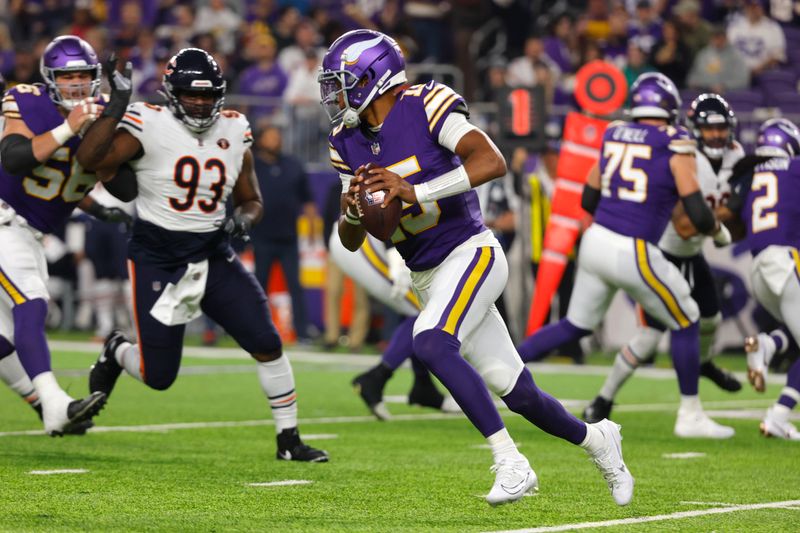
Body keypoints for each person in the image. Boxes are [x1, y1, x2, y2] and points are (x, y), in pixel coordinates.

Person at [319, 29, 633, 506]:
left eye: (341, 82)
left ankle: (511, 461)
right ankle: (597, 440)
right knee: (519, 393)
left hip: (471, 253)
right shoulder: (345, 141)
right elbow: (352, 236)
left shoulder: (426, 103)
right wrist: (353, 213)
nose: (333, 95)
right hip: (426, 274)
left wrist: (415, 191)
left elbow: (492, 160)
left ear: (372, 78)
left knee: (430, 341)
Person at [75, 47, 328, 462]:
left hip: (212, 254)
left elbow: (251, 199)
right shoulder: (146, 120)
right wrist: (117, 103)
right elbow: (89, 160)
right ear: (171, 92)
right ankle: (118, 350)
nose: (200, 102)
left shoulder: (234, 128)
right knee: (159, 377)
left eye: (208, 95)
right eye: (191, 95)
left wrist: (243, 220)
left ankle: (289, 440)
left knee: (267, 341)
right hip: (159, 255)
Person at [517, 73, 735, 439]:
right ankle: (691, 415)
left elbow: (588, 198)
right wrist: (718, 231)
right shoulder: (675, 141)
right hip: (632, 246)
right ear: (669, 107)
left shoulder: (614, 132)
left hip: (596, 239)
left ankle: (500, 368)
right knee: (688, 317)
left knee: (575, 324)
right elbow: (697, 212)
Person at [583, 93, 745, 426]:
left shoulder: (737, 156)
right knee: (649, 337)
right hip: (665, 251)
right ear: (694, 129)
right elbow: (686, 226)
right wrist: (727, 214)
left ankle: (702, 364)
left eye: (720, 128)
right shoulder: (681, 155)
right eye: (708, 128)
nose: (715, 135)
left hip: (694, 253)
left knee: (711, 320)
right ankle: (602, 399)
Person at [0, 36, 134, 435]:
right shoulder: (25, 100)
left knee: (5, 336)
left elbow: (111, 185)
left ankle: (46, 408)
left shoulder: (100, 117)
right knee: (32, 301)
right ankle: (56, 405)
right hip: (4, 220)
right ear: (49, 78)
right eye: (67, 75)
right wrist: (67, 128)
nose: (76, 83)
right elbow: (15, 159)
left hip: (28, 231)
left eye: (83, 75)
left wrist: (98, 206)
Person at [722, 118, 800, 440]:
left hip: (759, 269)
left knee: (795, 337)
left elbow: (731, 221)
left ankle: (769, 345)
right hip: (785, 262)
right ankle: (778, 416)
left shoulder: (749, 173)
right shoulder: (795, 168)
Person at [328, 229, 458, 420]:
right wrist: (393, 254)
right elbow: (385, 204)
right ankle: (375, 379)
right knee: (425, 311)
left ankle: (423, 386)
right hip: (371, 240)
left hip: (382, 239)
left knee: (422, 310)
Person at [249, 125, 317, 343]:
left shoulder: (293, 164)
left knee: (295, 287)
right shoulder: (251, 165)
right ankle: (254, 330)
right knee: (259, 287)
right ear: (260, 140)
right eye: (270, 137)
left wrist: (313, 229)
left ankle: (302, 332)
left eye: (277, 137)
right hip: (261, 236)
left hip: (289, 237)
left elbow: (307, 201)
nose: (275, 141)